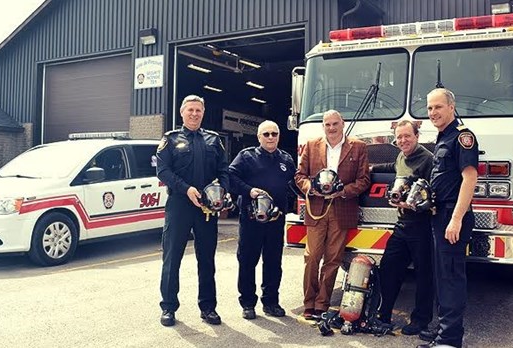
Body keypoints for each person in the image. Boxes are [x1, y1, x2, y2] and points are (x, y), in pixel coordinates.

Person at [156, 95, 230, 327]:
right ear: (182, 112)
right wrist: (186, 189)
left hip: (207, 208)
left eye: (198, 110)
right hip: (179, 205)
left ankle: (208, 308)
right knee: (172, 258)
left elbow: (224, 169)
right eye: (190, 110)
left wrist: (221, 191)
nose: (194, 114)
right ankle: (168, 308)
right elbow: (163, 171)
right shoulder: (170, 139)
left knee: (206, 259)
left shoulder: (213, 139)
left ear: (203, 112)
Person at [294, 109, 370, 318]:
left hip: (342, 207)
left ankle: (322, 303)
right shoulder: (311, 145)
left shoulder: (358, 147)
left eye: (335, 123)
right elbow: (299, 175)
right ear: (323, 126)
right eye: (327, 124)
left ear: (342, 124)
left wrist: (343, 191)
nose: (331, 128)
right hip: (317, 208)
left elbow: (364, 180)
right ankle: (309, 301)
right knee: (311, 256)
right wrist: (311, 187)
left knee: (333, 259)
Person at [417, 88, 478, 348]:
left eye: (438, 107)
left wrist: (456, 219)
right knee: (442, 277)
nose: (433, 113)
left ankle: (450, 340)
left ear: (451, 107)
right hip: (438, 215)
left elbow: (470, 178)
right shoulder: (443, 137)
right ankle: (443, 329)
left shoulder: (462, 137)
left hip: (452, 216)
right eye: (430, 108)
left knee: (451, 278)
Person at [371, 120, 434, 335]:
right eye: (399, 137)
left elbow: (434, 194)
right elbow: (394, 167)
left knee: (424, 274)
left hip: (422, 226)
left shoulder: (428, 159)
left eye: (407, 136)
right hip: (402, 224)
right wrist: (371, 168)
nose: (402, 140)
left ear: (417, 136)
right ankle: (383, 314)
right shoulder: (401, 156)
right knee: (388, 268)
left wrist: (412, 204)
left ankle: (420, 321)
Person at [228, 120, 296, 320]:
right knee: (248, 261)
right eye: (266, 134)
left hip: (276, 220)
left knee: (274, 262)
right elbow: (230, 177)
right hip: (251, 220)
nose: (270, 137)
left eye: (274, 134)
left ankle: (271, 302)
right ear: (259, 137)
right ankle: (248, 303)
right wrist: (249, 191)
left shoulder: (286, 159)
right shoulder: (246, 156)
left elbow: (296, 183)